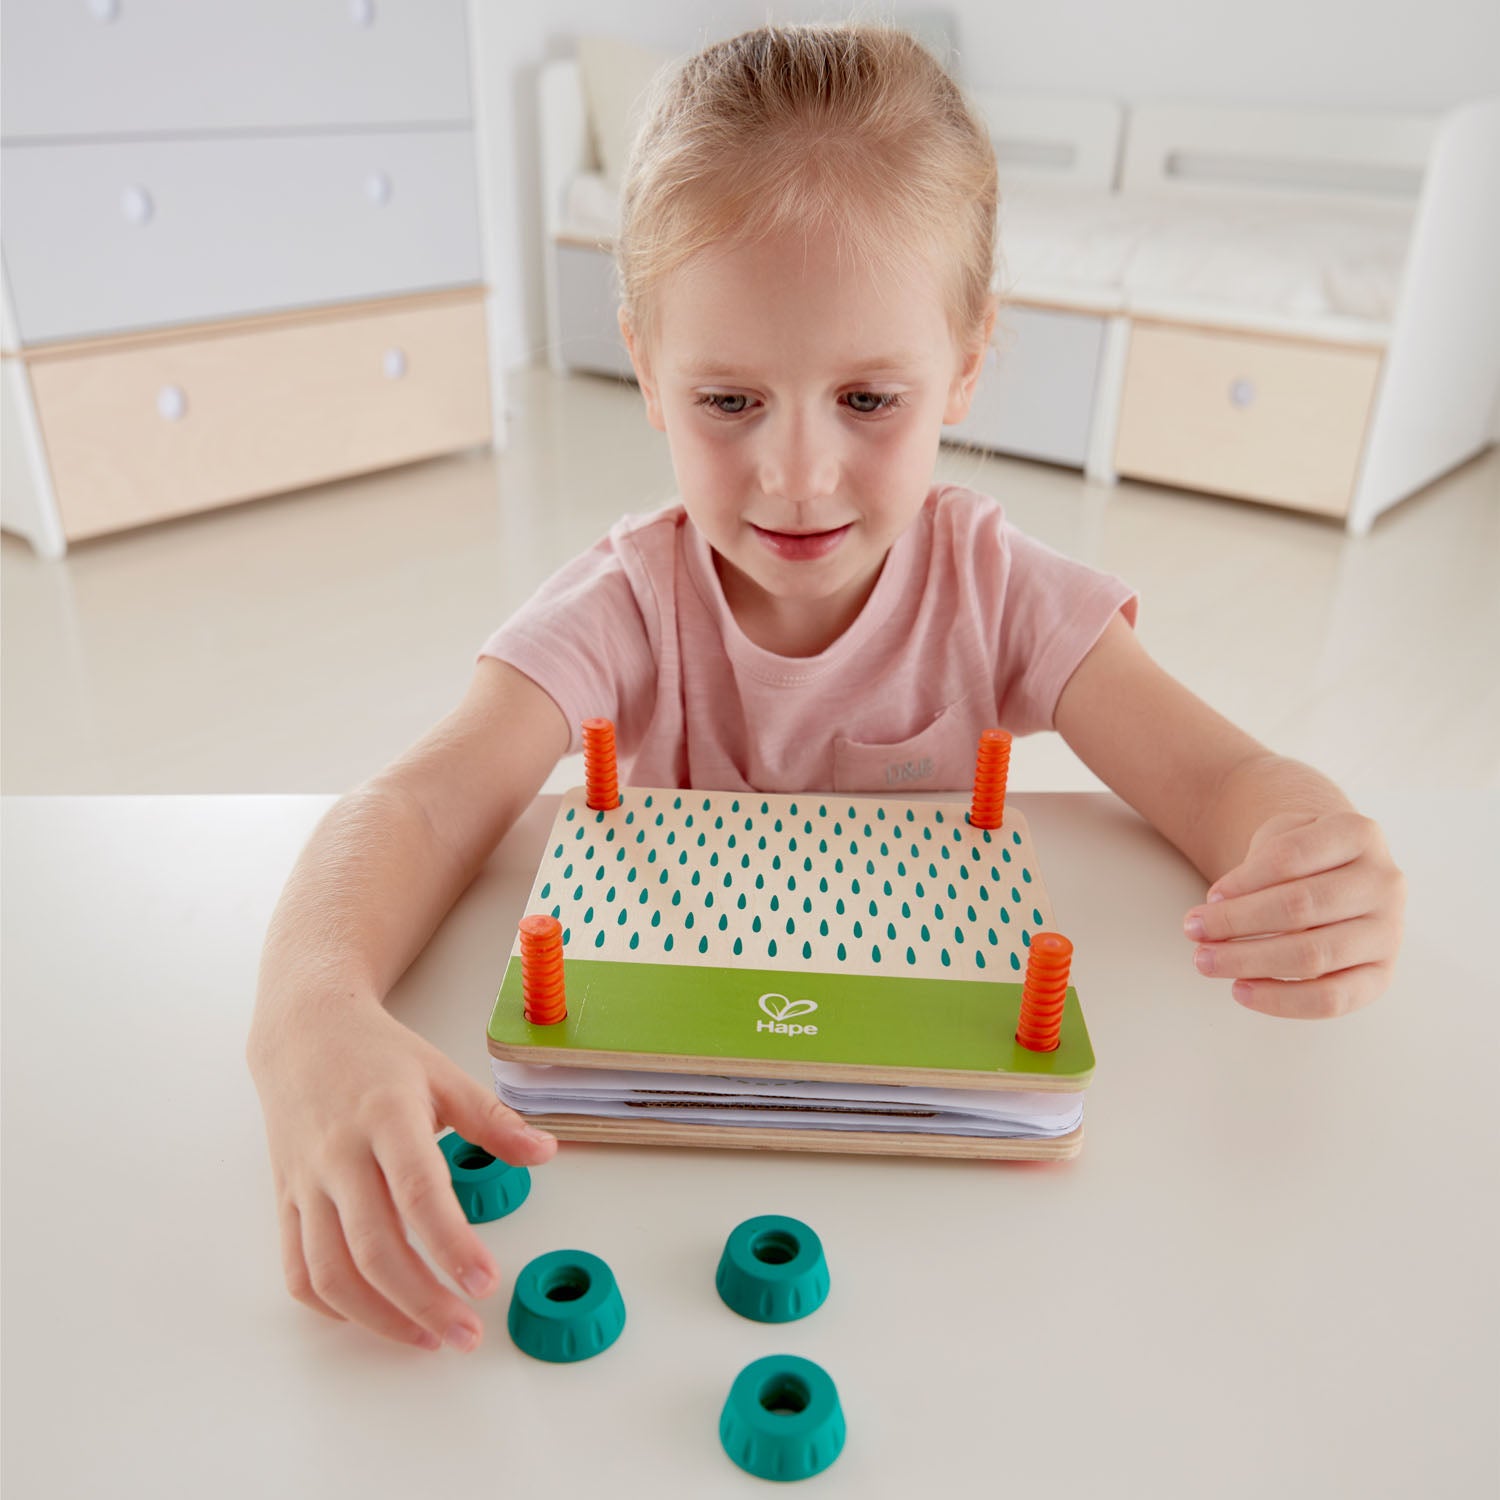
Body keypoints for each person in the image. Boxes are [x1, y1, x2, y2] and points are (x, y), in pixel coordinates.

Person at [247, 22, 1406, 1355]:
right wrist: (308, 1014)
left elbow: (1222, 780)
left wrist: (1310, 845)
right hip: (660, 1164)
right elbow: (415, 805)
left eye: (867, 399)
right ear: (646, 368)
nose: (797, 479)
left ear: (967, 359)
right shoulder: (625, 602)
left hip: (959, 1207)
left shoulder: (996, 589)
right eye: (729, 401)